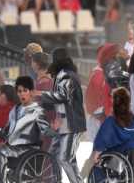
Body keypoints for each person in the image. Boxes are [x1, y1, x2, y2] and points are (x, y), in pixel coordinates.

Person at [0, 76, 57, 183]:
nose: (22, 94)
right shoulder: (15, 110)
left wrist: (55, 131)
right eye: (19, 91)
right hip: (13, 147)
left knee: (1, 152)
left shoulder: (37, 111)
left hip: (29, 148)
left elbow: (45, 130)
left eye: (25, 91)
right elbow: (6, 132)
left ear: (31, 92)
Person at [38, 48, 86, 183]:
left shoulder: (67, 75)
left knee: (64, 158)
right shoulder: (62, 75)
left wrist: (40, 95)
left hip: (71, 124)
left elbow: (63, 96)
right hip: (63, 124)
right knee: (56, 155)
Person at [89, 87, 134, 167]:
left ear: (114, 102)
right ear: (128, 102)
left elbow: (102, 139)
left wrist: (96, 153)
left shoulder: (111, 121)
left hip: (125, 157)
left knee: (99, 164)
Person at [85, 43, 130, 140]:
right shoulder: (100, 75)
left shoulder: (111, 72)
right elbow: (94, 103)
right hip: (99, 122)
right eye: (118, 54)